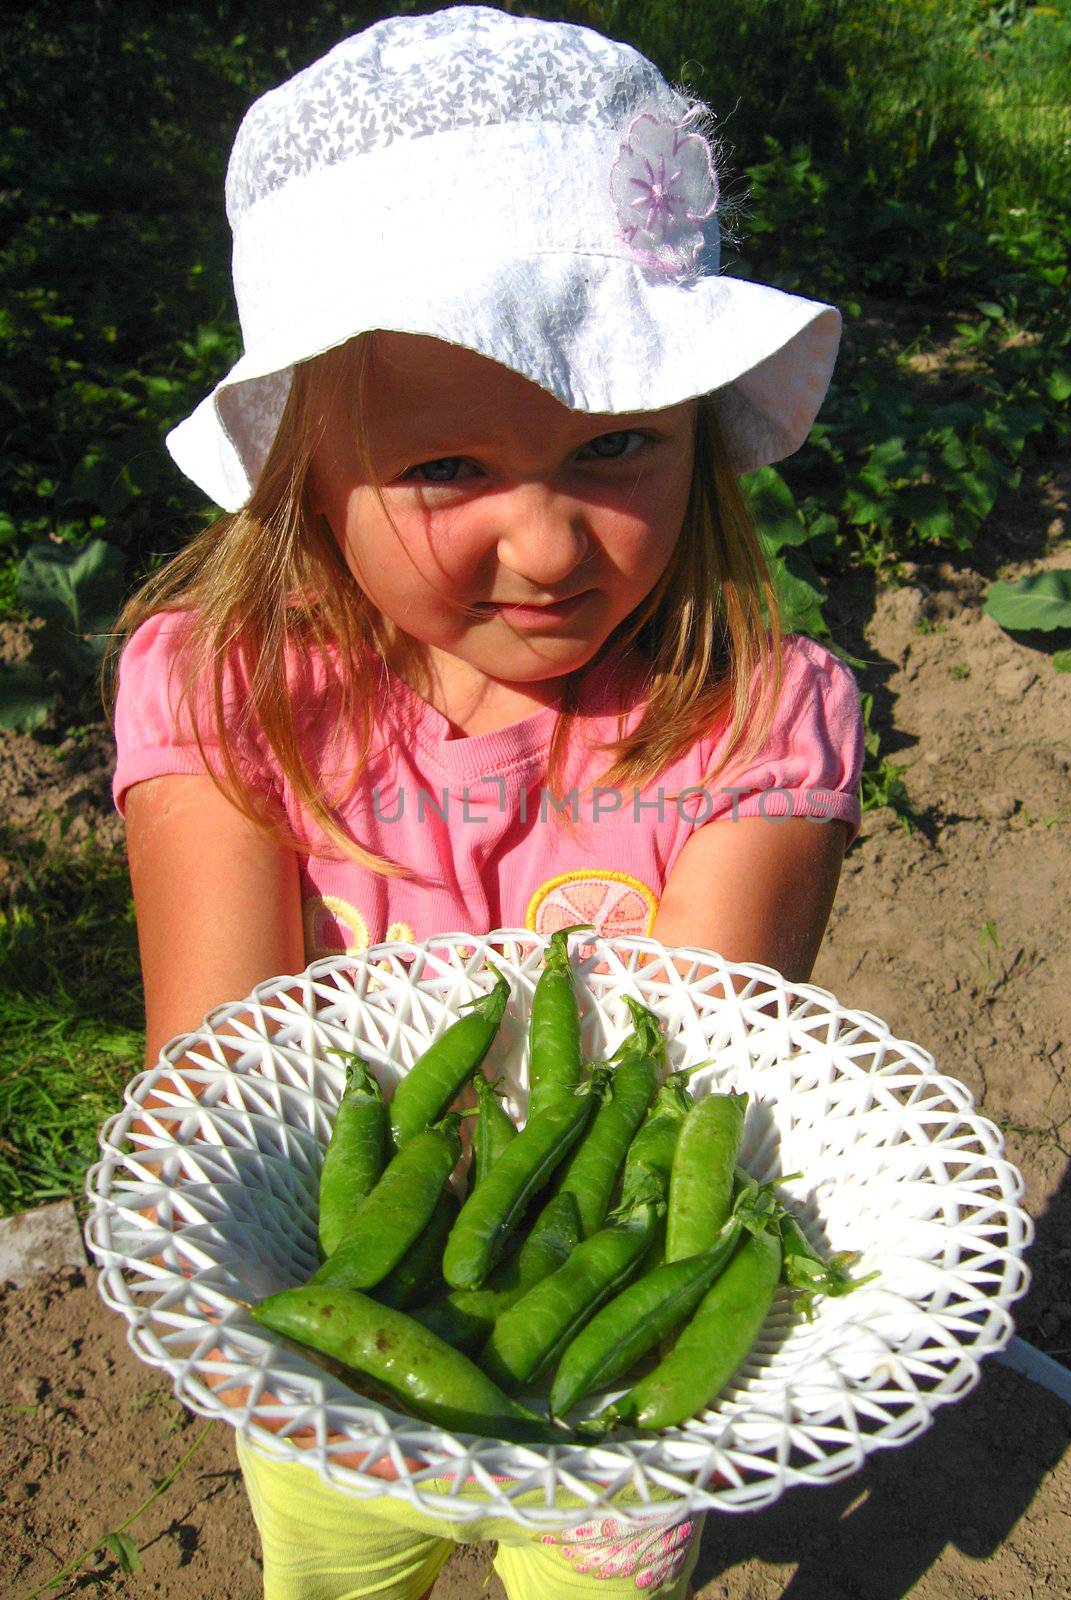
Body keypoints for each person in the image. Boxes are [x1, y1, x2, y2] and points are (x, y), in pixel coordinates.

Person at [108, 9, 863, 1597]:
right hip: (331, 1358)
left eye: (617, 446)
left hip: (605, 1412)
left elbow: (674, 1103)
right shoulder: (230, 705)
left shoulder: (747, 733)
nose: (546, 547)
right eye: (448, 468)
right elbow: (217, 1086)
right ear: (305, 464)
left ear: (705, 448)